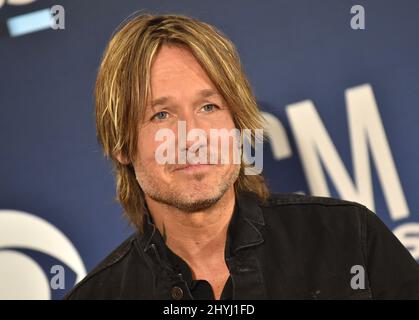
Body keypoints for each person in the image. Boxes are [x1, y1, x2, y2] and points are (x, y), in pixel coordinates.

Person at [65, 13, 419, 300]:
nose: (194, 136)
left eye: (209, 106)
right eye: (161, 115)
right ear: (122, 145)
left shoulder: (349, 239)